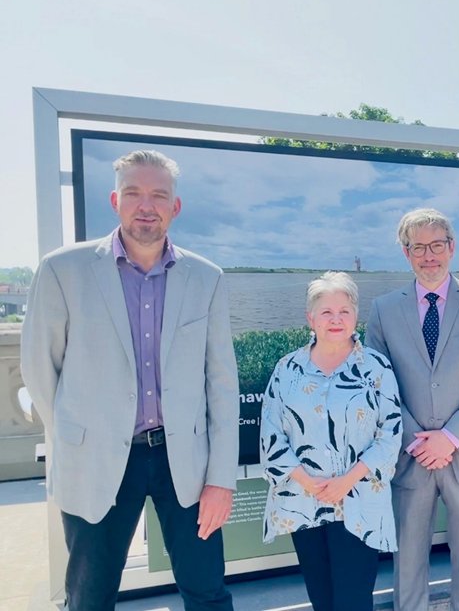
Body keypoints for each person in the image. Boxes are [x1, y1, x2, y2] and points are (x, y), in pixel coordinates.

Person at [20, 150, 239, 610]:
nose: (147, 205)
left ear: (174, 207)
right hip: (96, 460)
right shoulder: (63, 270)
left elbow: (221, 384)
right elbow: (41, 370)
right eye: (135, 193)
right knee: (89, 597)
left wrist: (221, 479)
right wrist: (75, 439)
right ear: (115, 200)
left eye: (159, 195)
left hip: (185, 465)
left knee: (207, 592)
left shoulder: (207, 278)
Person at [366, 209, 459, 611]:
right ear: (406, 253)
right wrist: (417, 439)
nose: (429, 256)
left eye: (437, 245)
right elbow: (380, 382)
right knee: (407, 564)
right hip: (410, 458)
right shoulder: (384, 309)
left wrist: (450, 437)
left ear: (452, 247)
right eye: (418, 248)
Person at [260, 272, 402, 611]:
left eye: (344, 311)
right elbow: (270, 435)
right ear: (311, 318)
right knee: (322, 600)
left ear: (356, 316)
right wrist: (309, 481)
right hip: (303, 501)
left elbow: (391, 434)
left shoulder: (376, 369)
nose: (336, 319)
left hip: (359, 501)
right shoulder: (287, 369)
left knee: (353, 602)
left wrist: (346, 482)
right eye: (326, 312)